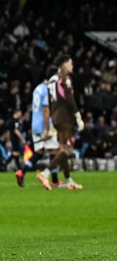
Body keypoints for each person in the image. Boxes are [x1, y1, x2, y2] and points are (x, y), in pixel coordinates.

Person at [44, 55, 84, 191]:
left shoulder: (52, 80)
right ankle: (45, 173)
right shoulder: (64, 79)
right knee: (68, 150)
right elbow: (69, 98)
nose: (72, 66)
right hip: (65, 118)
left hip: (56, 118)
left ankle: (68, 180)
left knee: (62, 150)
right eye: (70, 63)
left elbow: (50, 101)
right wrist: (77, 115)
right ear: (64, 64)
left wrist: (52, 121)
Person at [18, 72, 51, 188]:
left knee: (39, 152)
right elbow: (46, 109)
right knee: (55, 151)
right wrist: (47, 128)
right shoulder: (47, 90)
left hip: (35, 124)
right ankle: (54, 179)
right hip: (43, 125)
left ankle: (22, 171)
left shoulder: (37, 89)